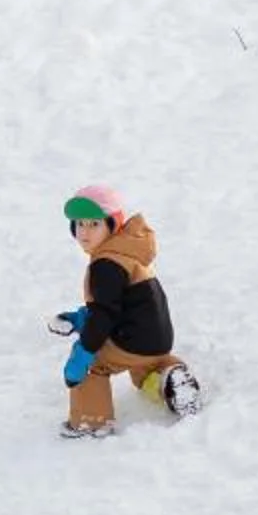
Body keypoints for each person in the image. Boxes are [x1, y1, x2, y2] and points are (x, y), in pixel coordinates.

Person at [50, 185, 203, 438]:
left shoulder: (105, 264)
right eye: (79, 224)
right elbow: (118, 303)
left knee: (92, 365)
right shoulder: (126, 253)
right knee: (143, 369)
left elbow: (104, 313)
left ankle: (91, 421)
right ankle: (167, 378)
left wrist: (84, 352)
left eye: (94, 224)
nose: (85, 232)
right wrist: (81, 317)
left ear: (113, 225)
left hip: (131, 340)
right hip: (158, 340)